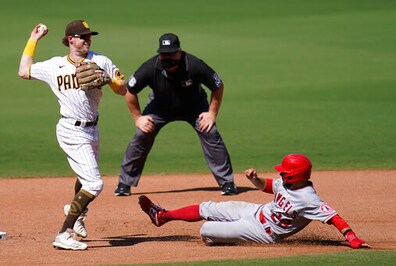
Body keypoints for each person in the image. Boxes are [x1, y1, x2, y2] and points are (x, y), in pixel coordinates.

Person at [18, 20, 127, 250]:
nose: (88, 39)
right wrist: (33, 40)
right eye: (82, 36)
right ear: (70, 40)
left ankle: (76, 211)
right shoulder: (54, 66)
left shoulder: (101, 61)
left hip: (92, 129)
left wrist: (110, 80)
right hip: (70, 129)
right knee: (94, 183)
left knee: (85, 175)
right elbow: (23, 71)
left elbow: (123, 89)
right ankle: (64, 234)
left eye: (89, 36)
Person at [138, 154, 370, 248]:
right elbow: (269, 187)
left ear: (294, 175)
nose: (280, 173)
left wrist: (352, 238)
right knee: (207, 207)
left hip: (263, 233)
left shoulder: (309, 199)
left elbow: (334, 217)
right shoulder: (286, 182)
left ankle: (231, 238)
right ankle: (161, 217)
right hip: (256, 211)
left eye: (284, 171)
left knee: (206, 230)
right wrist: (255, 179)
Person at [115, 33, 237, 196]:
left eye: (172, 53)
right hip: (160, 107)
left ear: (180, 51)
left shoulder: (194, 65)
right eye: (164, 54)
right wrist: (138, 118)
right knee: (141, 134)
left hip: (194, 106)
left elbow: (218, 85)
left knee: (210, 131)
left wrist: (211, 114)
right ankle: (124, 184)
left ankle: (227, 183)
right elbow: (130, 91)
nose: (168, 57)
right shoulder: (150, 67)